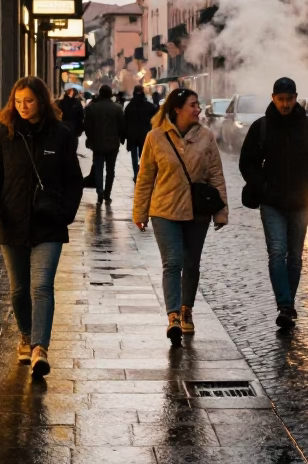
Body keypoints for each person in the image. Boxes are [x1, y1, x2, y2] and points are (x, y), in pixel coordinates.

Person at [0, 76, 84, 377]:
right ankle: (25, 334)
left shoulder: (60, 135)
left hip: (49, 224)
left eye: (29, 101)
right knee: (19, 289)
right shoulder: (4, 134)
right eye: (18, 101)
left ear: (41, 101)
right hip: (11, 223)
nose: (23, 107)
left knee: (41, 286)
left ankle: (39, 348)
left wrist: (65, 214)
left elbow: (74, 180)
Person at [133, 87, 228, 344]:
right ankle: (173, 316)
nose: (198, 109)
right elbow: (145, 177)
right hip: (164, 210)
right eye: (193, 105)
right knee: (172, 263)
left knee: (192, 263)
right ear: (177, 109)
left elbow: (216, 175)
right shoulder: (155, 137)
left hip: (197, 210)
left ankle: (187, 309)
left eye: (198, 105)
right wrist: (140, 211)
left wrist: (221, 212)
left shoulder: (206, 137)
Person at [239, 76, 308, 330]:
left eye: (289, 99)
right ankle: (285, 305)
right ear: (273, 99)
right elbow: (247, 162)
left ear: (295, 98)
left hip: (301, 202)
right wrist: (262, 187)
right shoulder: (262, 127)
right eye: (280, 99)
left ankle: (287, 306)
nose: (285, 104)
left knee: (295, 257)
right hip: (272, 203)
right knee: (277, 252)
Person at [84, 84, 126, 204]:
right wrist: (121, 138)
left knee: (98, 168)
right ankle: (107, 194)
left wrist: (90, 139)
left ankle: (100, 192)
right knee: (110, 170)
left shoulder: (92, 107)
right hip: (113, 144)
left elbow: (87, 126)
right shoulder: (117, 108)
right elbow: (122, 126)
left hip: (97, 143)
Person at [124, 85, 156, 182]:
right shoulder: (149, 106)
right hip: (145, 135)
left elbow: (125, 122)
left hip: (132, 135)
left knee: (134, 156)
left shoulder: (129, 106)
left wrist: (123, 136)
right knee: (143, 156)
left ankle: (136, 174)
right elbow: (155, 121)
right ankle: (142, 174)